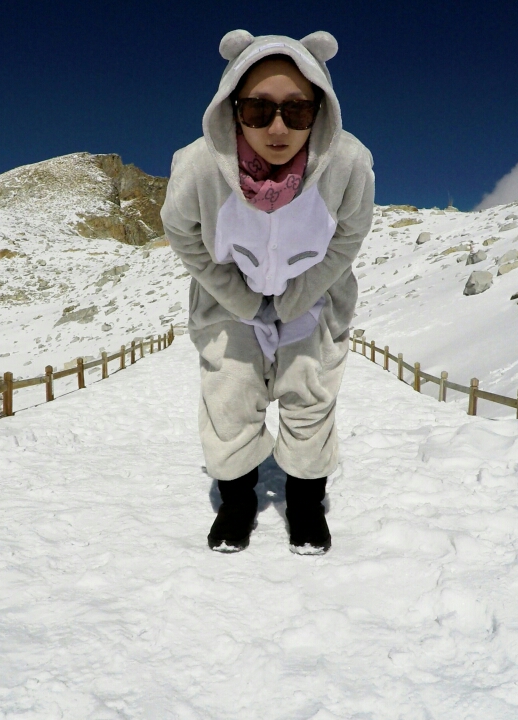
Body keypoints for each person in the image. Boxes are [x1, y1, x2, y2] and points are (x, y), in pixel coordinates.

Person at [161, 30, 375, 554]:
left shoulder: (349, 163)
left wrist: (302, 294)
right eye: (258, 110)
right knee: (230, 397)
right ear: (233, 109)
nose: (278, 127)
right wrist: (240, 298)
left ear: (319, 110)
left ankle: (305, 502)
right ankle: (237, 501)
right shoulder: (199, 166)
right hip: (229, 302)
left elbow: (350, 234)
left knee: (310, 395)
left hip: (314, 300)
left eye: (297, 110)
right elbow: (181, 233)